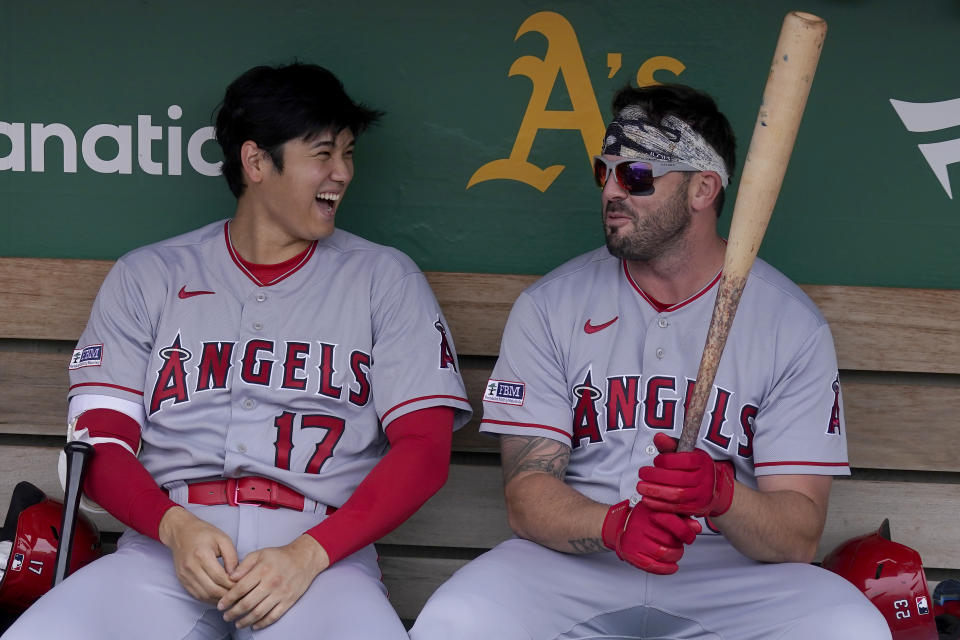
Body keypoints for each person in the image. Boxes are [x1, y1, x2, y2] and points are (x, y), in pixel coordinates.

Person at [2, 62, 472, 640]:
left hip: (323, 557)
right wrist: (173, 528)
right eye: (322, 154)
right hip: (166, 550)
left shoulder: (384, 279)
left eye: (348, 153)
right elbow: (97, 444)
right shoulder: (149, 275)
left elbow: (424, 448)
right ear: (256, 162)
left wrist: (310, 554)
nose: (342, 172)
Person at [409, 83, 891, 639]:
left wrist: (722, 495)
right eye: (604, 172)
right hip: (577, 559)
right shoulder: (550, 306)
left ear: (702, 188)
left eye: (636, 176)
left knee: (850, 629)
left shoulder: (791, 325)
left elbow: (798, 535)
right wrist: (615, 525)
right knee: (455, 623)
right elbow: (527, 497)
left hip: (728, 571)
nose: (612, 191)